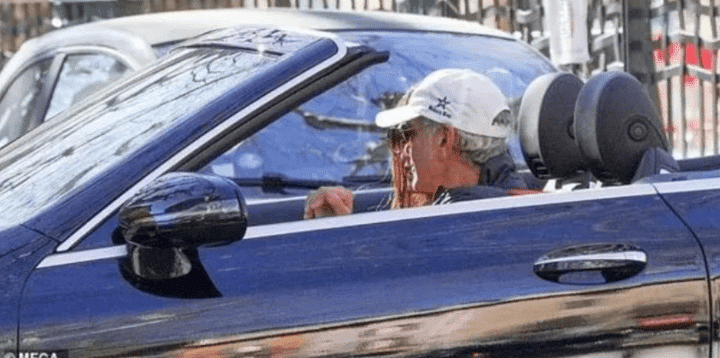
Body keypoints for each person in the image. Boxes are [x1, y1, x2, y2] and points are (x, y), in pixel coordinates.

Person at [304, 68, 528, 219]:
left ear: (443, 140)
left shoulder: (456, 217)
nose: (402, 150)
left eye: (408, 133)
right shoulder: (512, 203)